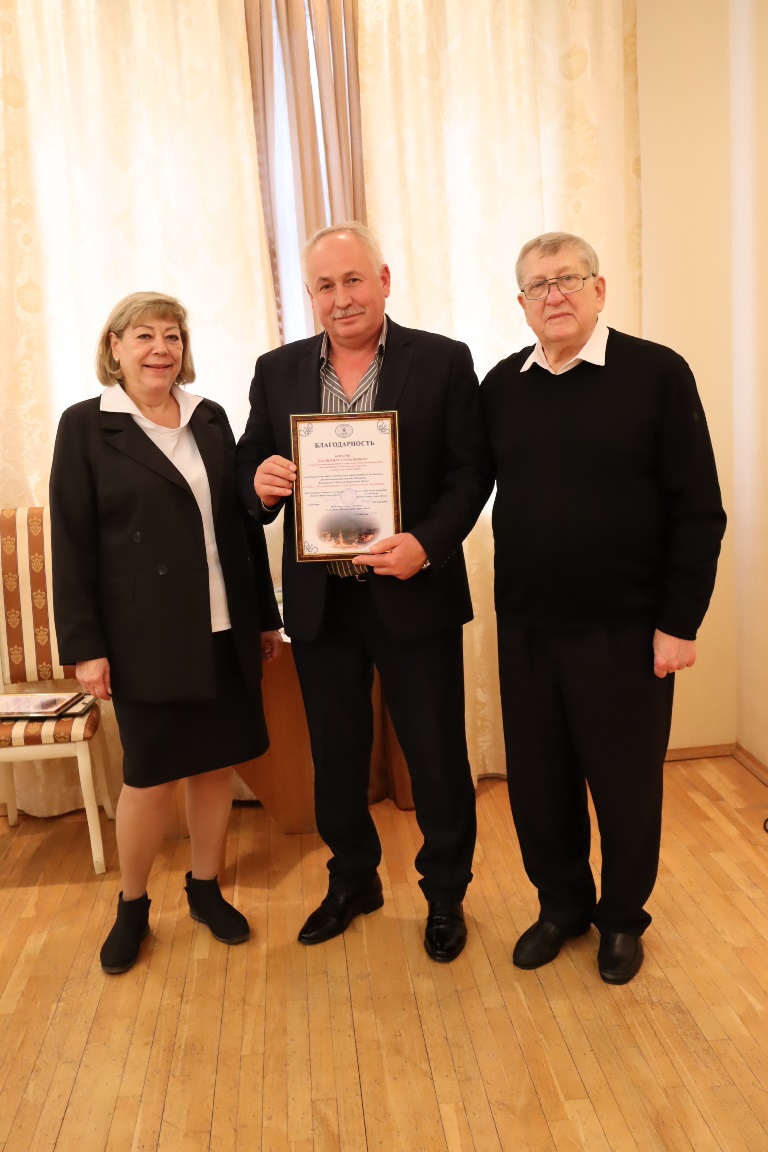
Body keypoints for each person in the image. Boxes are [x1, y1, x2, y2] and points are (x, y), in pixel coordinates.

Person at [237, 223, 487, 962]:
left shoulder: (442, 360)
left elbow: (471, 472)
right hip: (323, 602)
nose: (341, 298)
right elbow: (250, 460)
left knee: (435, 754)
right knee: (336, 756)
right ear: (309, 295)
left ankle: (445, 893)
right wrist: (259, 482)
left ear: (382, 280)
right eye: (325, 286)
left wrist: (426, 544)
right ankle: (352, 879)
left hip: (414, 588)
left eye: (353, 280)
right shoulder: (276, 370)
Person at [481, 232, 726, 984]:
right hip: (528, 625)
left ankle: (621, 918)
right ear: (521, 304)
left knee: (626, 790)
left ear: (600, 289)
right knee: (539, 785)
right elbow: (459, 482)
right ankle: (562, 905)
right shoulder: (502, 385)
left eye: (568, 279)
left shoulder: (656, 374)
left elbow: (699, 510)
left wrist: (679, 623)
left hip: (627, 631)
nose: (553, 295)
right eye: (538, 285)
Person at [50, 292, 283, 975]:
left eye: (173, 336)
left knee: (215, 766)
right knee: (149, 778)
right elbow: (71, 543)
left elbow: (239, 525)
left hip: (222, 624)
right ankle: (132, 906)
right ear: (115, 347)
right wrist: (85, 648)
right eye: (145, 335)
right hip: (143, 637)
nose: (161, 349)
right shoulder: (86, 425)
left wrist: (265, 617)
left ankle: (205, 889)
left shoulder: (209, 417)